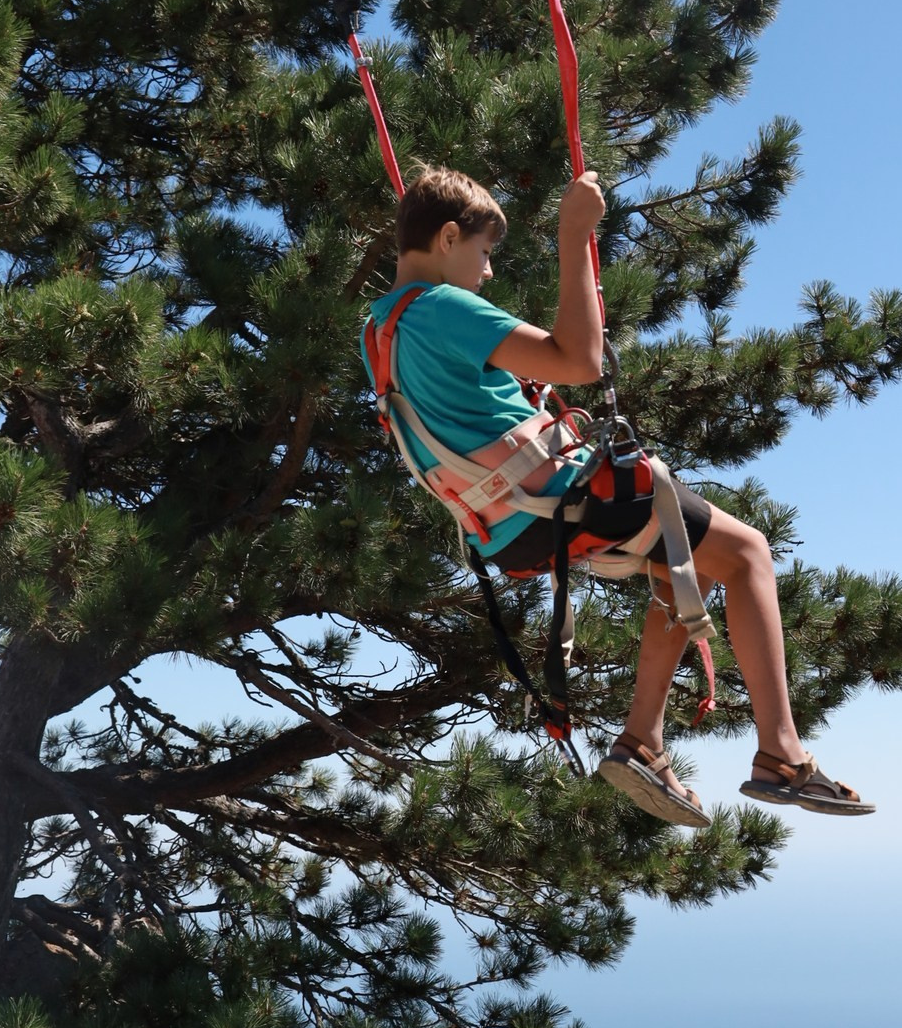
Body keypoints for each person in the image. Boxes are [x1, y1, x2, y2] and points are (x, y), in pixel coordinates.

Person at [365, 165, 874, 827]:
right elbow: (578, 361)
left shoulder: (378, 328)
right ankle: (781, 753)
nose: (487, 273)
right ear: (449, 237)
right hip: (557, 496)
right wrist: (574, 235)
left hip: (508, 525)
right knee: (747, 552)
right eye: (484, 254)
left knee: (681, 558)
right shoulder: (443, 308)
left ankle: (643, 743)